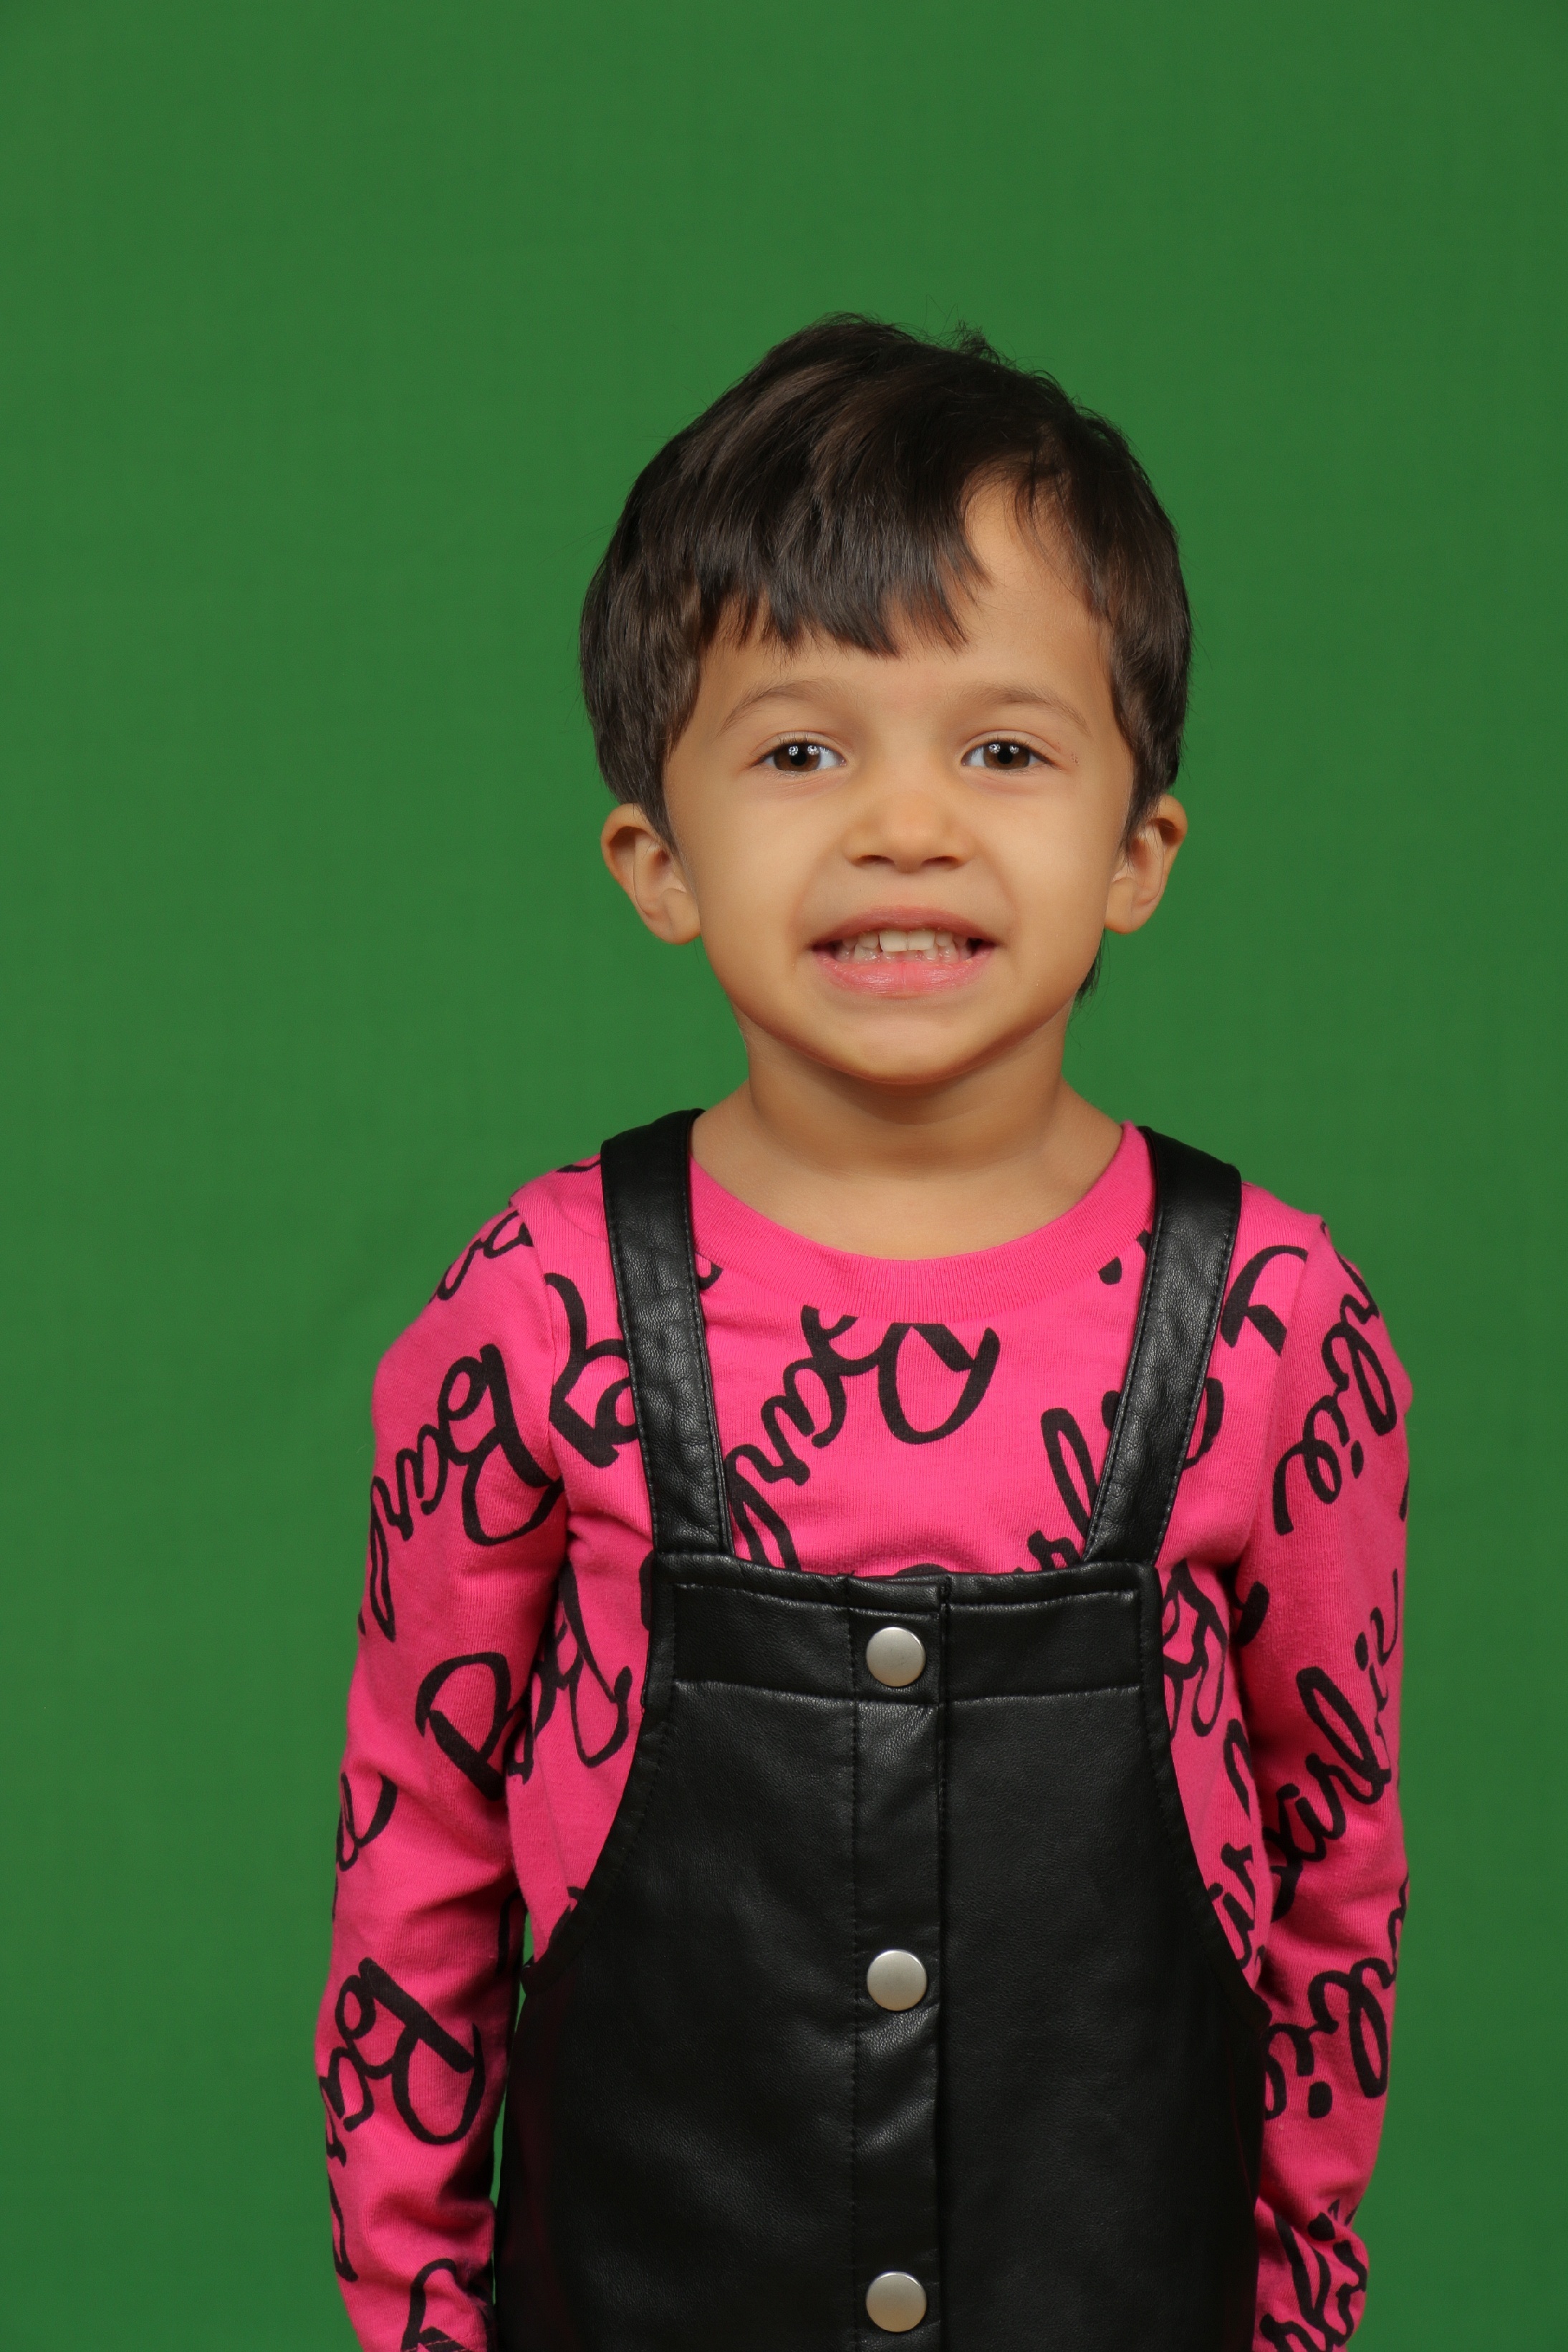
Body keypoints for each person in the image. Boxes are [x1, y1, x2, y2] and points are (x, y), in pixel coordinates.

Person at [317, 319, 1408, 2352]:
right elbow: (416, 1859)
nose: (907, 823)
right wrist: (419, 2319)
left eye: (1003, 749)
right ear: (657, 860)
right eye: (802, 750)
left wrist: (1295, 2314)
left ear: (1138, 853)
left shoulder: (1275, 1318)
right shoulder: (538, 1305)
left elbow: (1336, 1868)